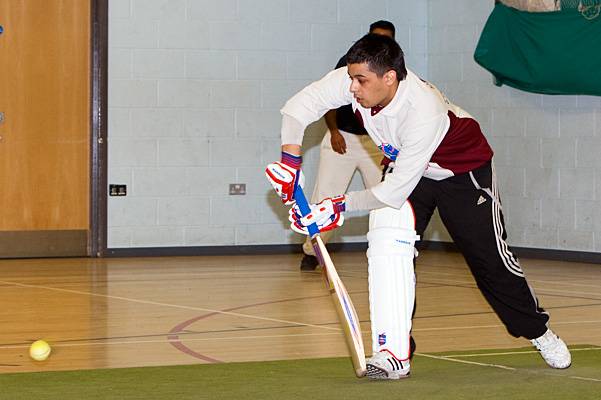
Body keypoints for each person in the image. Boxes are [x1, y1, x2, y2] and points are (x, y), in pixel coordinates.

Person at [265, 33, 571, 379]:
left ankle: (538, 332)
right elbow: (297, 108)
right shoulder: (356, 81)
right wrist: (289, 161)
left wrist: (336, 205)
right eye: (351, 78)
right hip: (409, 170)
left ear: (389, 77)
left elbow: (392, 192)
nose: (352, 88)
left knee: (491, 264)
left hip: (461, 172)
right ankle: (392, 352)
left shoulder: (423, 110)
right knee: (385, 243)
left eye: (360, 80)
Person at [300, 21, 396, 271]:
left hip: (375, 144)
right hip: (341, 137)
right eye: (375, 38)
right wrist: (333, 131)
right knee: (325, 196)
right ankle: (313, 252)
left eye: (386, 40)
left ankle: (389, 249)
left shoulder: (395, 70)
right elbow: (328, 101)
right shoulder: (349, 63)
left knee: (384, 197)